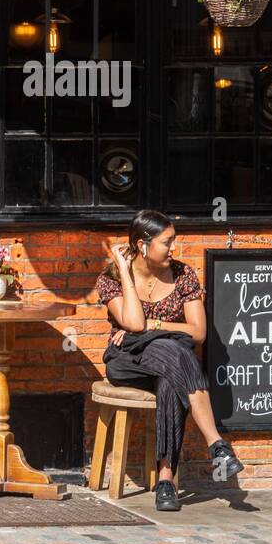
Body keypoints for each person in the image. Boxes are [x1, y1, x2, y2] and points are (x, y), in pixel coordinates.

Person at [95, 209, 244, 511]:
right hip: (127, 359)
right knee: (177, 351)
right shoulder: (110, 279)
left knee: (170, 374)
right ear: (142, 245)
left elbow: (198, 332)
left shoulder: (183, 274)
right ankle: (215, 443)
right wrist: (125, 271)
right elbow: (134, 324)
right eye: (167, 242)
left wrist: (157, 327)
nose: (174, 248)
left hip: (169, 362)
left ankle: (166, 481)